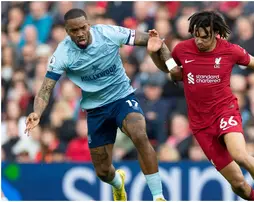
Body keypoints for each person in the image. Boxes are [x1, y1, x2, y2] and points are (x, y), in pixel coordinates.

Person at [148, 11, 254, 201]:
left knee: (240, 155)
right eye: (195, 35)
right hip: (200, 125)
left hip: (225, 111)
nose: (198, 41)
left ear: (215, 34)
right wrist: (153, 53)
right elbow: (170, 69)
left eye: (204, 37)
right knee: (238, 184)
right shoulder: (182, 49)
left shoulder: (230, 50)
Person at [24, 8, 166, 201]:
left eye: (83, 27)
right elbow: (46, 88)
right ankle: (118, 183)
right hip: (95, 109)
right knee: (103, 171)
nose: (80, 33)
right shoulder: (63, 53)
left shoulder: (108, 33)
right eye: (74, 31)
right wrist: (37, 112)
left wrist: (155, 43)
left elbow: (147, 40)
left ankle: (158, 196)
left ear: (88, 25)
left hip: (121, 97)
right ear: (67, 32)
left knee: (139, 133)